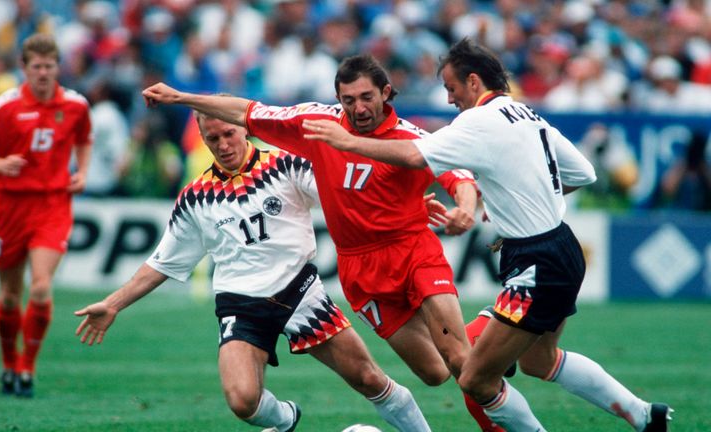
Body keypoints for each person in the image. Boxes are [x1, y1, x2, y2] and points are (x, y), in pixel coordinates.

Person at [302, 38, 673, 432]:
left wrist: (347, 142)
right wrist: (527, 197)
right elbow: (582, 173)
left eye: (451, 88)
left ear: (473, 82)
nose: (448, 99)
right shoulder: (526, 113)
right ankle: (643, 413)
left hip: (535, 262)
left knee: (474, 377)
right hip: (562, 246)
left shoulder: (477, 121)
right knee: (538, 360)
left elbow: (414, 155)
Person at [141, 55, 510, 432]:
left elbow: (456, 171)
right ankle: (488, 328)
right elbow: (248, 110)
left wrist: (465, 207)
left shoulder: (408, 134)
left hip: (412, 248)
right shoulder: (317, 123)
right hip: (360, 269)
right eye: (348, 100)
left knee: (460, 362)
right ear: (337, 98)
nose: (359, 108)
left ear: (385, 92)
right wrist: (182, 97)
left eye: (366, 97)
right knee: (434, 372)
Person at [75, 109, 431, 432]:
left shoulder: (287, 165)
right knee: (242, 401)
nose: (224, 144)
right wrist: (114, 304)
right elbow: (161, 262)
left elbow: (347, 197)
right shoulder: (196, 198)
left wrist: (407, 207)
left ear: (245, 128)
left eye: (229, 133)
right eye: (213, 138)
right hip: (240, 305)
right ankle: (286, 419)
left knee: (368, 379)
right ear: (202, 138)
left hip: (299, 292)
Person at [0, 33, 92, 398]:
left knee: (40, 286)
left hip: (52, 204)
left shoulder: (75, 105)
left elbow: (84, 138)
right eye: (36, 66)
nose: (42, 73)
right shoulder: (3, 107)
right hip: (10, 205)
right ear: (24, 68)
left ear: (57, 67)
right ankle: (8, 364)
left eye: (48, 66)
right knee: (9, 295)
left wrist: (81, 171)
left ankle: (27, 368)